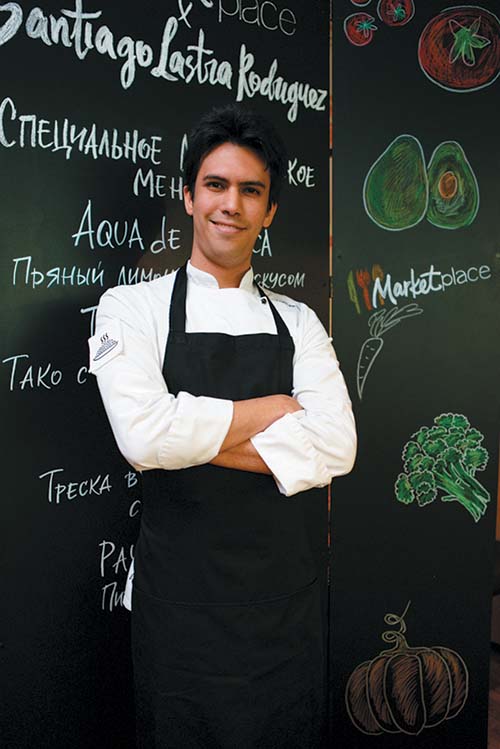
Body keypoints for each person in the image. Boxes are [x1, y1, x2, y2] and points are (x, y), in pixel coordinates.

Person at [89, 104, 356, 748]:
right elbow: (143, 437)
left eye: (250, 190)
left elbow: (338, 447)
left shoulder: (300, 322)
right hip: (179, 615)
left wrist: (185, 433)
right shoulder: (130, 308)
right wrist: (274, 409)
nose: (230, 204)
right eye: (215, 184)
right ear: (188, 196)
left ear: (269, 211)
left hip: (284, 613)